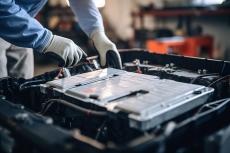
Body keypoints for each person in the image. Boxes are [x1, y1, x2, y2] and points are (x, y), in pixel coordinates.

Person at [0, 0, 122, 79]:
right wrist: (46, 39)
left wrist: (97, 33)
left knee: (22, 90)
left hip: (24, 29)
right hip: (10, 23)